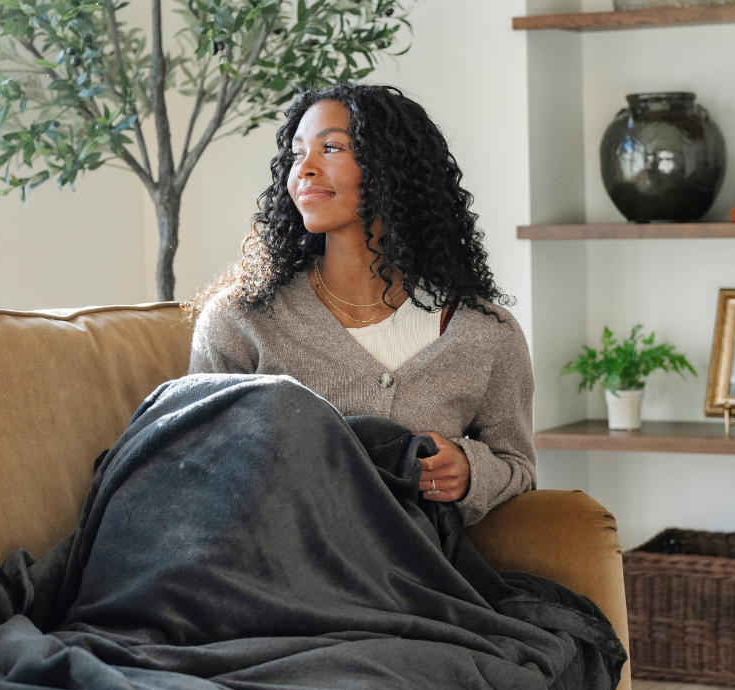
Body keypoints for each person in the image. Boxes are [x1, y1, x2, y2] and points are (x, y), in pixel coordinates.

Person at [187, 83, 535, 526]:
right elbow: (196, 462)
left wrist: (470, 472)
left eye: (331, 147)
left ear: (392, 170)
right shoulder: (241, 319)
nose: (304, 170)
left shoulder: (485, 335)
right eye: (296, 154)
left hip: (405, 575)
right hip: (266, 569)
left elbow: (519, 468)